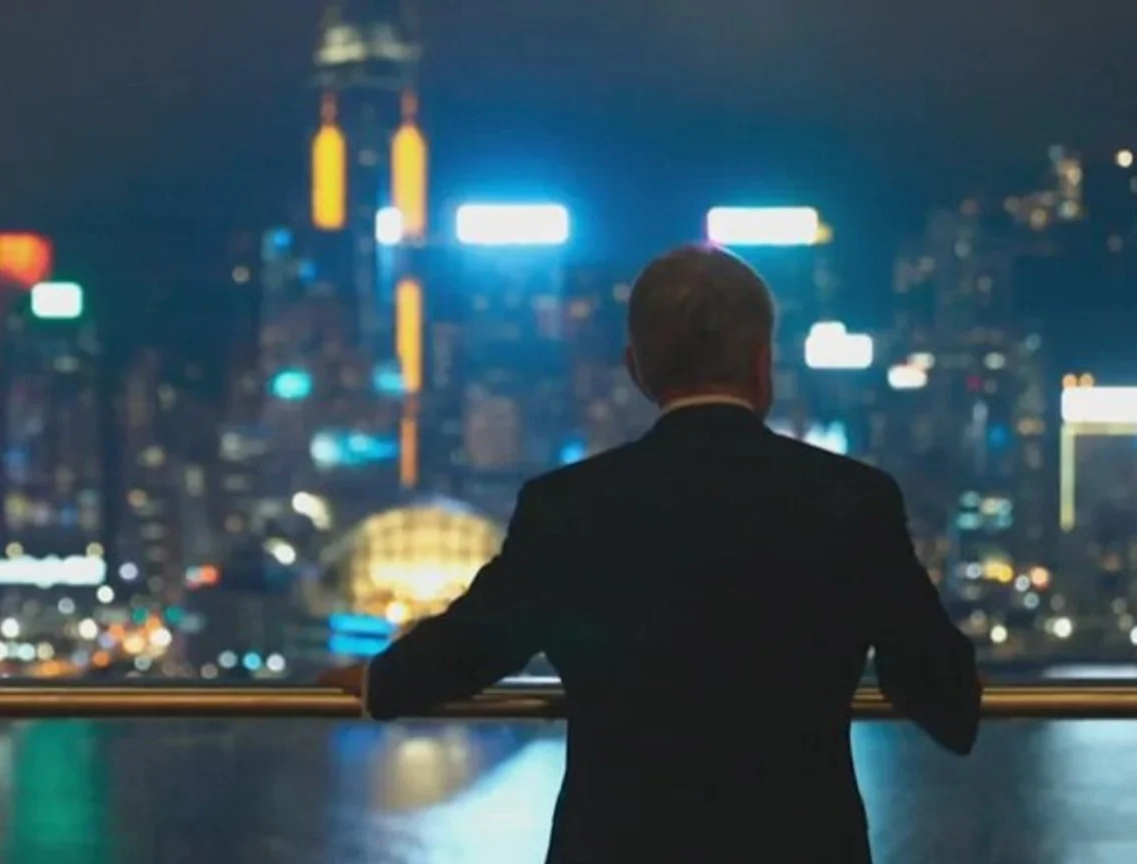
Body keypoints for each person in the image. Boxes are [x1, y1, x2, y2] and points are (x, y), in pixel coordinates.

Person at [320, 244, 982, 862]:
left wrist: (379, 681)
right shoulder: (853, 500)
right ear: (762, 363)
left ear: (637, 370)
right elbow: (943, 695)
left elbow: (477, 640)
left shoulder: (570, 505)